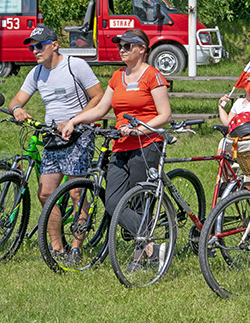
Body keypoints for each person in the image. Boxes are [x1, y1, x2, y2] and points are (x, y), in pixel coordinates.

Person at [59, 29, 171, 267]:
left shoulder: (153, 76)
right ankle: (153, 249)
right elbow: (101, 109)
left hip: (147, 144)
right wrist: (74, 120)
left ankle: (141, 258)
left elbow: (164, 115)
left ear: (142, 49)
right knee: (113, 202)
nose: (122, 49)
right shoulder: (117, 76)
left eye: (128, 46)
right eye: (120, 46)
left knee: (141, 201)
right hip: (120, 146)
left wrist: (140, 130)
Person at [7, 26, 103, 263]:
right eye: (31, 47)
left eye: (39, 45)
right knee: (46, 192)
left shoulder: (75, 65)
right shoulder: (38, 72)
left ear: (54, 45)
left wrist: (74, 120)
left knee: (76, 192)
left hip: (80, 133)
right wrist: (17, 108)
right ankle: (57, 246)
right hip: (52, 135)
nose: (35, 51)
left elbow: (98, 96)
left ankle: (76, 249)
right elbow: (16, 99)